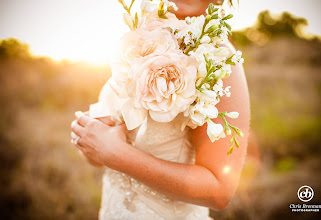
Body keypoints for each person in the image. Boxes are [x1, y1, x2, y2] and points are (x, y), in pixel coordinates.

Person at [71, 0, 250, 219]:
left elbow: (219, 191)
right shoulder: (143, 38)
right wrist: (90, 137)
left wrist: (115, 154)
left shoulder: (218, 58)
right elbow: (100, 156)